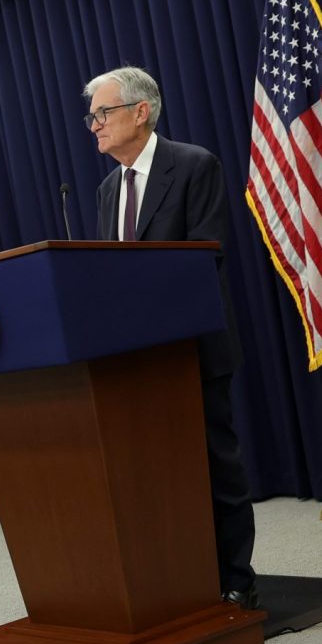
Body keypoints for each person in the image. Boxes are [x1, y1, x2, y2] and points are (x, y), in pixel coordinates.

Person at [87, 65, 257, 607]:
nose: (94, 125)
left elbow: (205, 256)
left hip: (191, 349)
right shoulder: (107, 190)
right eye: (91, 117)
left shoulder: (193, 165)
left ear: (141, 112)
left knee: (214, 466)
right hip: (135, 359)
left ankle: (236, 578)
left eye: (103, 113)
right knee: (157, 476)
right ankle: (182, 577)